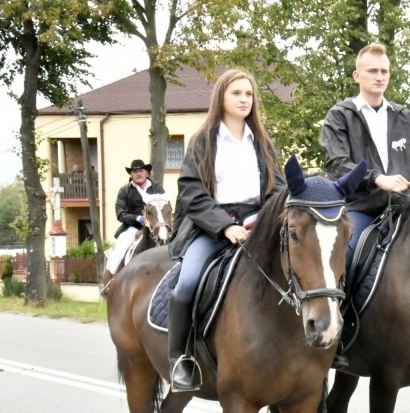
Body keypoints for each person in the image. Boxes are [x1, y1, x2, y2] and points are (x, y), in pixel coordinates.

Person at [167, 69, 285, 392]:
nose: (244, 99)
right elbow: (191, 191)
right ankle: (179, 359)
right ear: (221, 97)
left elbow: (279, 187)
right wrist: (225, 227)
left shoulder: (261, 141)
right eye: (237, 93)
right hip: (211, 226)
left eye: (248, 94)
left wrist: (262, 218)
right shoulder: (203, 141)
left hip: (257, 226)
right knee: (188, 280)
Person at [319, 42, 410, 271]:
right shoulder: (340, 115)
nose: (379, 77)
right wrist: (377, 178)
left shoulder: (402, 115)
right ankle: (340, 307)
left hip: (406, 206)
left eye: (384, 71)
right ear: (357, 76)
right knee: (345, 260)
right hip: (360, 208)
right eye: (372, 71)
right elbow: (337, 164)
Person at [105, 159, 165, 277]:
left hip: (156, 226)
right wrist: (137, 218)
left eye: (141, 171)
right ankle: (111, 279)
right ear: (131, 175)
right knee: (121, 249)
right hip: (133, 227)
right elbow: (120, 213)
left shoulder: (157, 188)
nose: (138, 174)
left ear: (147, 173)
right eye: (135, 171)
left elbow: (166, 206)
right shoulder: (125, 190)